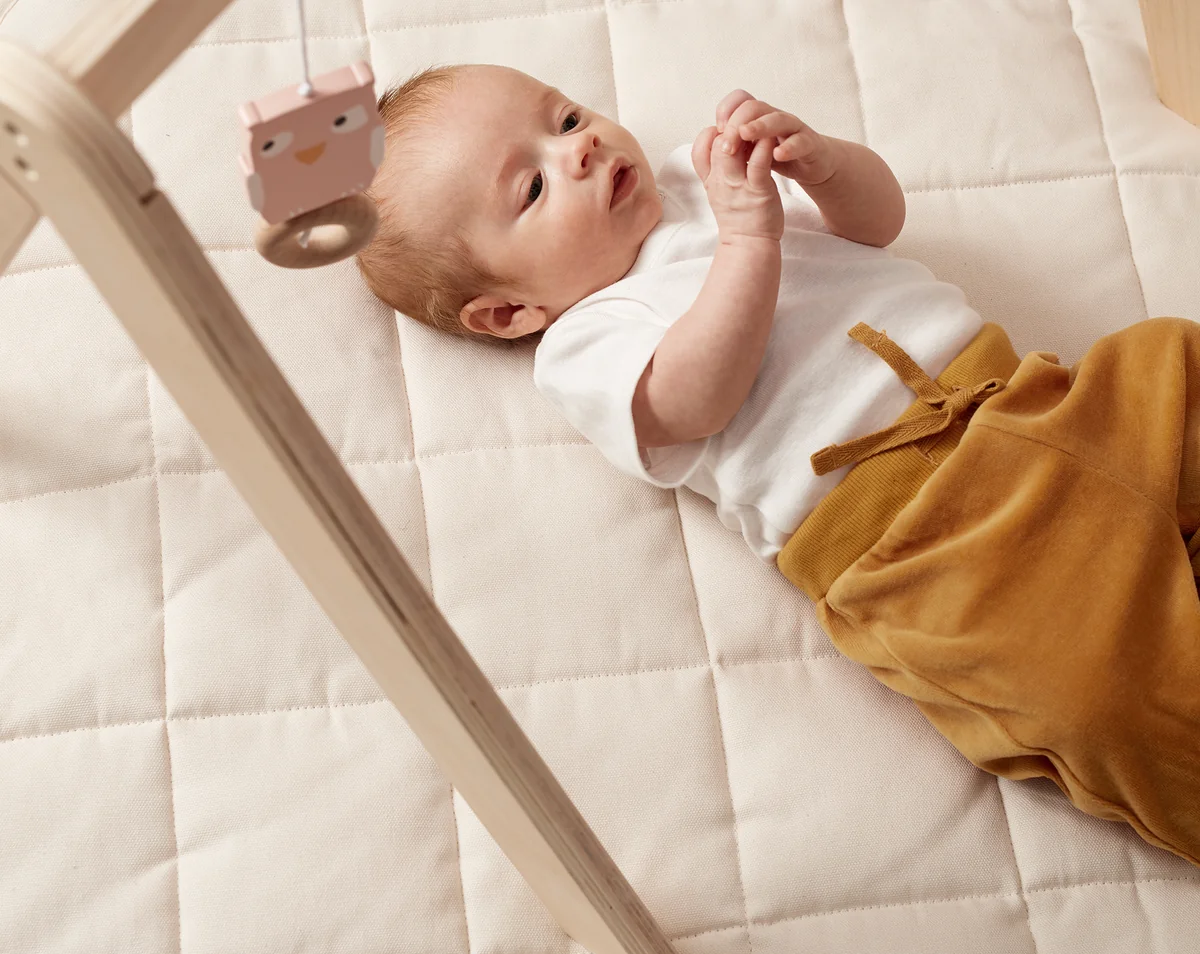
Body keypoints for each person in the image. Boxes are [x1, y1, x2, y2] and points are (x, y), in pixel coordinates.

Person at [357, 63, 1200, 867]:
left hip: (1031, 403)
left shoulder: (700, 179)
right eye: (533, 188)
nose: (577, 148)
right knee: (1089, 688)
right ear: (510, 312)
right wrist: (747, 237)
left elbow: (876, 224)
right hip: (923, 548)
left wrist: (824, 167)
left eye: (566, 116)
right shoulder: (585, 341)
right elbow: (695, 400)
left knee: (1171, 362)